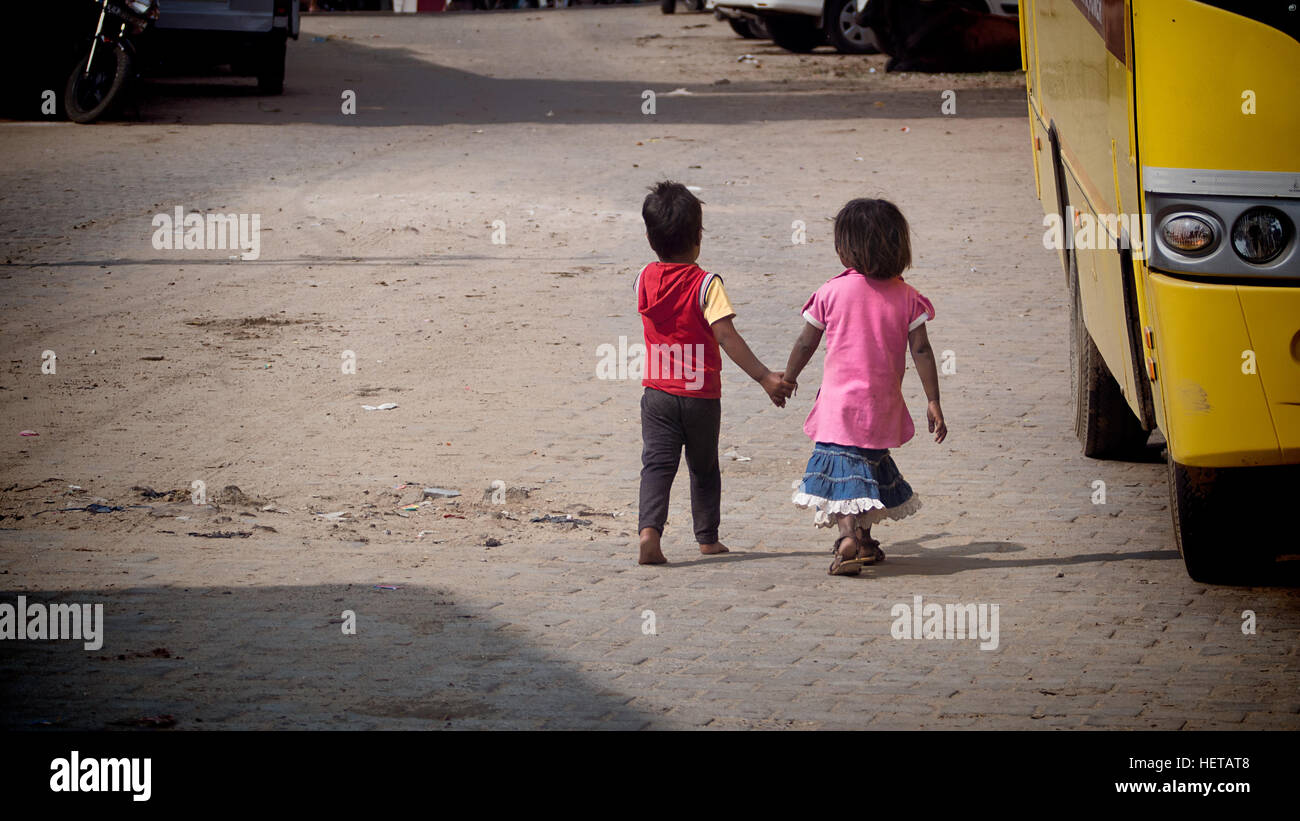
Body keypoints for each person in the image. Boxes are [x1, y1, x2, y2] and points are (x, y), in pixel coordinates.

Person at [781, 198, 947, 576]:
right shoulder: (907, 297)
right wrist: (933, 400)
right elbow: (921, 349)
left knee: (841, 471)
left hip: (839, 406)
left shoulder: (831, 292)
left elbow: (806, 342)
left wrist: (789, 377)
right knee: (869, 466)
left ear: (847, 249)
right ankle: (867, 538)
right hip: (881, 404)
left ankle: (847, 538)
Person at [636, 181, 790, 565]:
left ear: (650, 238)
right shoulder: (707, 284)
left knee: (657, 464)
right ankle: (707, 538)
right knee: (703, 467)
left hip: (657, 393)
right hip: (701, 396)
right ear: (698, 238)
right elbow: (726, 335)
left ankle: (649, 532)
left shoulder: (643, 278)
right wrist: (764, 377)